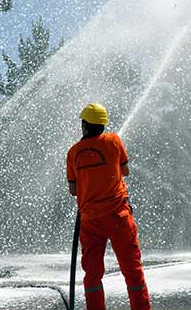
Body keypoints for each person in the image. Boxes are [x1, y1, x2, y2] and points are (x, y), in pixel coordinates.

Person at [66, 103, 151, 310]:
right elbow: (126, 170)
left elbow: (73, 190)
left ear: (84, 125)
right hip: (118, 217)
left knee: (92, 275)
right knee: (132, 270)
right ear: (102, 124)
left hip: (90, 221)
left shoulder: (73, 153)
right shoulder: (114, 141)